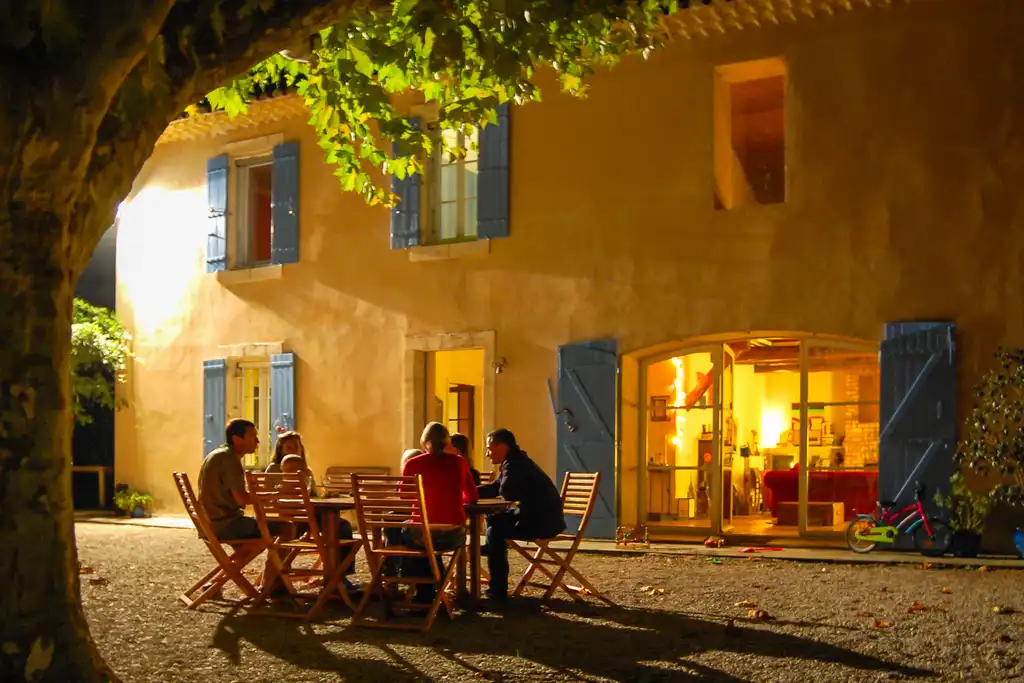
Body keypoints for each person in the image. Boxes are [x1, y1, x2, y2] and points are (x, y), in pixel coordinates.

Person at [478, 428, 565, 603]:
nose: (487, 454)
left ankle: (497, 588)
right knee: (495, 523)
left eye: (489, 448)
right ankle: (492, 560)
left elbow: (506, 492)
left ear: (502, 447)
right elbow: (496, 487)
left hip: (541, 524)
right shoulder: (515, 462)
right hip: (538, 518)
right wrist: (469, 492)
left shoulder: (516, 465)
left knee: (496, 530)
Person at [398, 422, 479, 604]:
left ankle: (421, 591)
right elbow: (472, 496)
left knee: (412, 537)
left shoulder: (412, 464)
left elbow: (403, 497)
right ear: (447, 441)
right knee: (428, 544)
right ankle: (438, 590)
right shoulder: (459, 463)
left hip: (421, 533)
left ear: (424, 442)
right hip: (453, 533)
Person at [198, 418, 261, 540]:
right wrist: (268, 498)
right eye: (253, 437)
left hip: (209, 524)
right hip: (225, 525)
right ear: (237, 439)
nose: (258, 441)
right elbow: (241, 499)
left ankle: (240, 559)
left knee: (256, 540)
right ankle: (273, 560)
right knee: (287, 528)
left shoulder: (218, 454)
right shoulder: (229, 459)